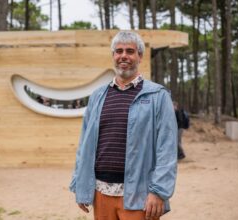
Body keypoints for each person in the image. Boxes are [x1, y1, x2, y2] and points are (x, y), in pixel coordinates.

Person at [69, 31, 178, 220]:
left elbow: (167, 148)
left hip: (140, 195)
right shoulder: (97, 96)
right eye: (118, 51)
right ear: (113, 56)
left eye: (130, 51)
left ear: (140, 56)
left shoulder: (158, 96)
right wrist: (81, 184)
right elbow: (84, 145)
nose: (123, 56)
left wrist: (159, 191)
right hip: (100, 192)